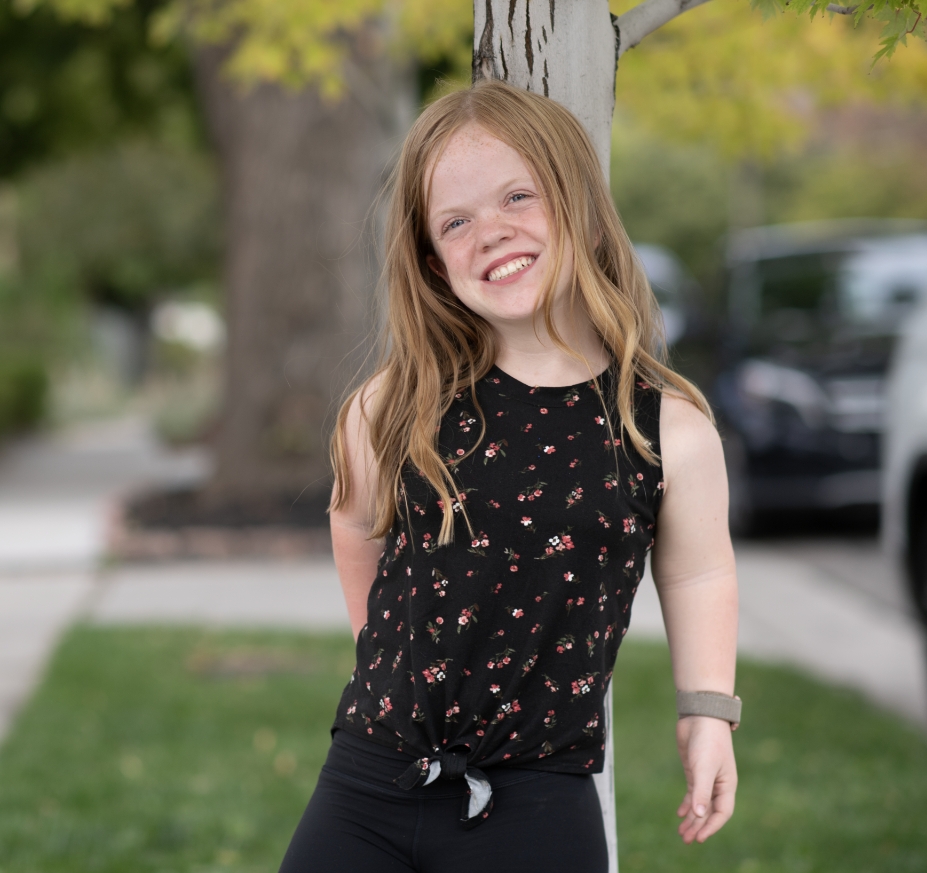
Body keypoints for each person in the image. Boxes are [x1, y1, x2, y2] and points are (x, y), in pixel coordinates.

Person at [278, 79, 739, 873]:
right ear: (432, 260)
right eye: (455, 221)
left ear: (580, 204)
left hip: (536, 799)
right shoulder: (395, 405)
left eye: (516, 197)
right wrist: (383, 663)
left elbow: (698, 572)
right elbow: (353, 522)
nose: (490, 232)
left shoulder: (664, 428)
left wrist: (706, 714)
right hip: (368, 783)